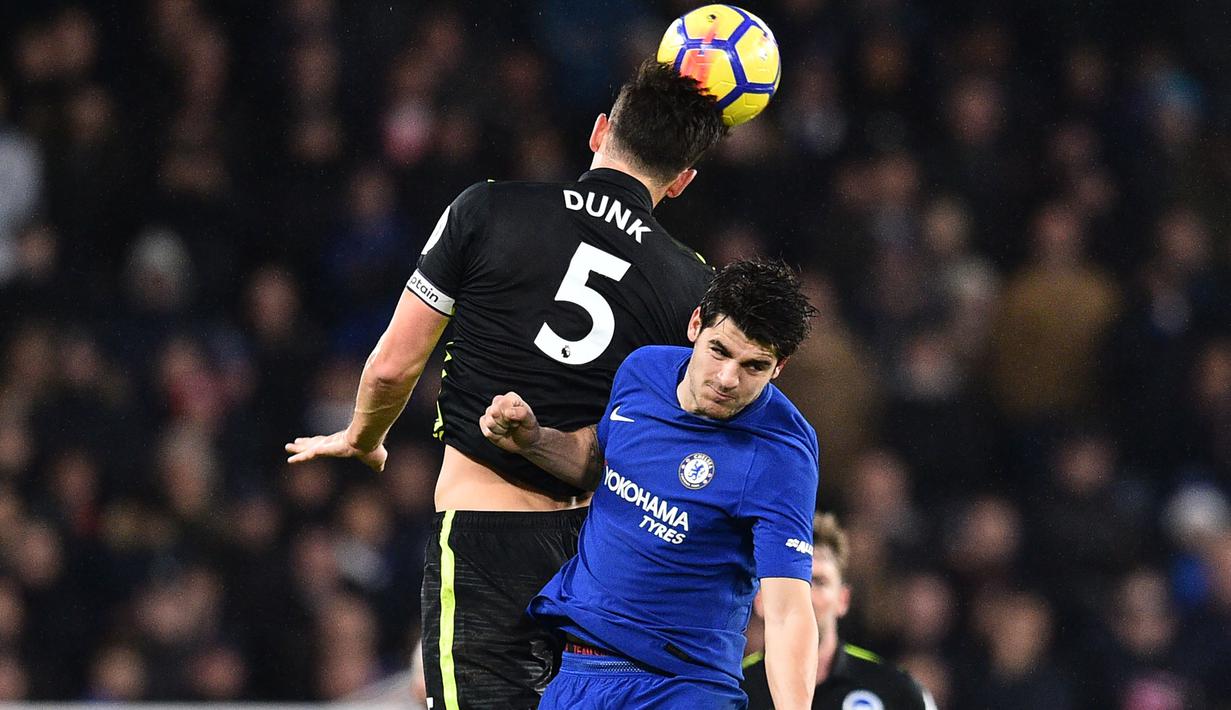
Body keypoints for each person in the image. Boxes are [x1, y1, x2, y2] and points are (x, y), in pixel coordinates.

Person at [284, 58, 727, 709]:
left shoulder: (488, 207)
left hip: (486, 542)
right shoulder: (691, 285)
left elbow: (392, 365)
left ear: (599, 130)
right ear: (682, 181)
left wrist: (363, 435)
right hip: (602, 563)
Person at [480, 259, 821, 709]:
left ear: (779, 367)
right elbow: (604, 465)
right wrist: (533, 441)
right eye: (719, 350)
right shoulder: (642, 372)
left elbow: (787, 610)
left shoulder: (782, 453)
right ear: (696, 324)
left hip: (682, 687)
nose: (727, 379)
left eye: (754, 365)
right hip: (579, 672)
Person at [742, 513, 936, 710]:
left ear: (842, 599)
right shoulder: (732, 691)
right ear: (759, 599)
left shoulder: (895, 691)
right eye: (791, 583)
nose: (804, 597)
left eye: (818, 582)